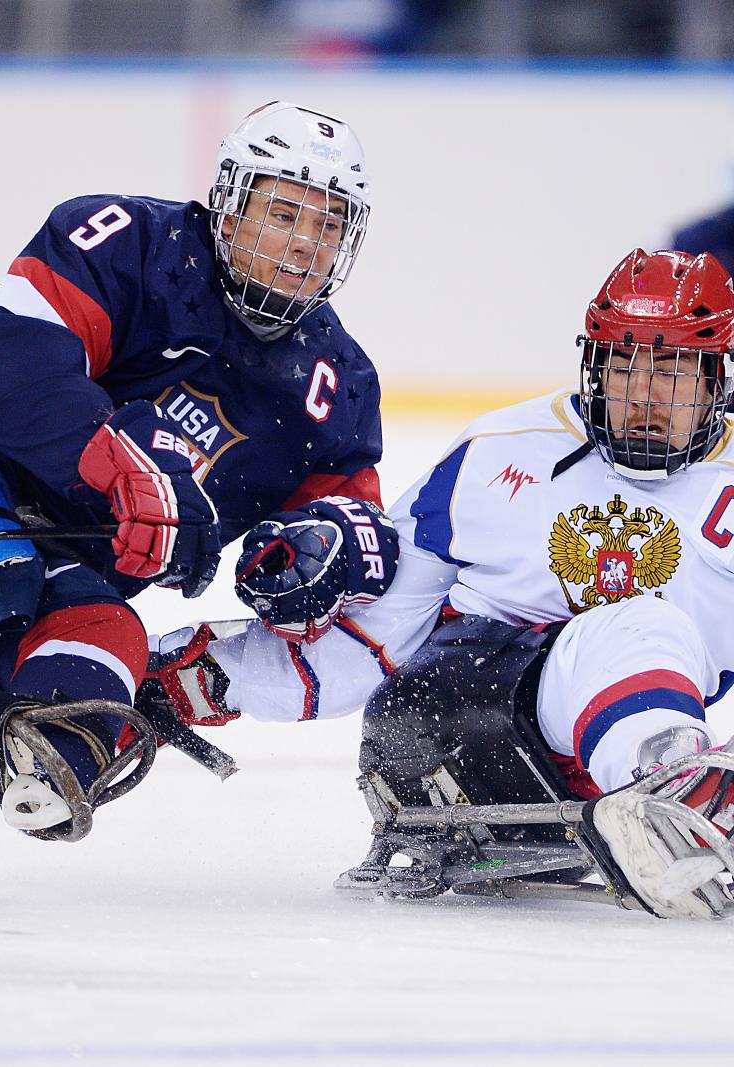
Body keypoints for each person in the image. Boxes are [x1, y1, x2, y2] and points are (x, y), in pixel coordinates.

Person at [161, 247, 734, 918]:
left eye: (673, 370)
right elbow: (376, 626)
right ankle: (680, 795)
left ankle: (677, 787)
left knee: (641, 636)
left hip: (592, 772)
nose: (643, 394)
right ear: (593, 365)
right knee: (640, 624)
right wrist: (196, 676)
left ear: (718, 378)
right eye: (624, 365)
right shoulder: (500, 451)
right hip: (452, 729)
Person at [0, 100, 398, 832]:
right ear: (229, 202)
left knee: (107, 641)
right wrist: (126, 468)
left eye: (328, 224)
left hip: (51, 554)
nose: (305, 243)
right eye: (284, 213)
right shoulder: (122, 241)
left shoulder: (336, 387)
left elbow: (354, 535)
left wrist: (327, 555)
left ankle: (48, 751)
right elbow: (13, 380)